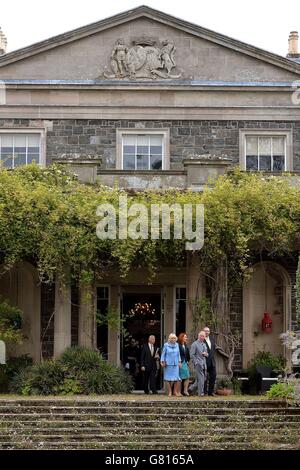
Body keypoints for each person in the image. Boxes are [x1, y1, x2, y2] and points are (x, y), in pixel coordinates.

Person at [189, 331, 208, 396]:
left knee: (203, 379)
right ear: (198, 336)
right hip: (198, 364)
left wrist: (206, 354)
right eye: (201, 336)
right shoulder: (194, 344)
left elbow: (206, 354)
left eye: (204, 336)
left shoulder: (204, 344)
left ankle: (191, 388)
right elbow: (192, 355)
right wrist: (196, 362)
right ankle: (201, 393)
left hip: (204, 364)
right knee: (201, 378)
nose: (203, 337)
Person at [203, 326, 217, 396]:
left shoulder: (212, 339)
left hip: (212, 361)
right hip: (204, 361)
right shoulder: (200, 340)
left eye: (208, 331)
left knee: (213, 376)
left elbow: (213, 350)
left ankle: (211, 392)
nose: (206, 332)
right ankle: (205, 392)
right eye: (205, 331)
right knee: (204, 377)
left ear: (209, 332)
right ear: (203, 332)